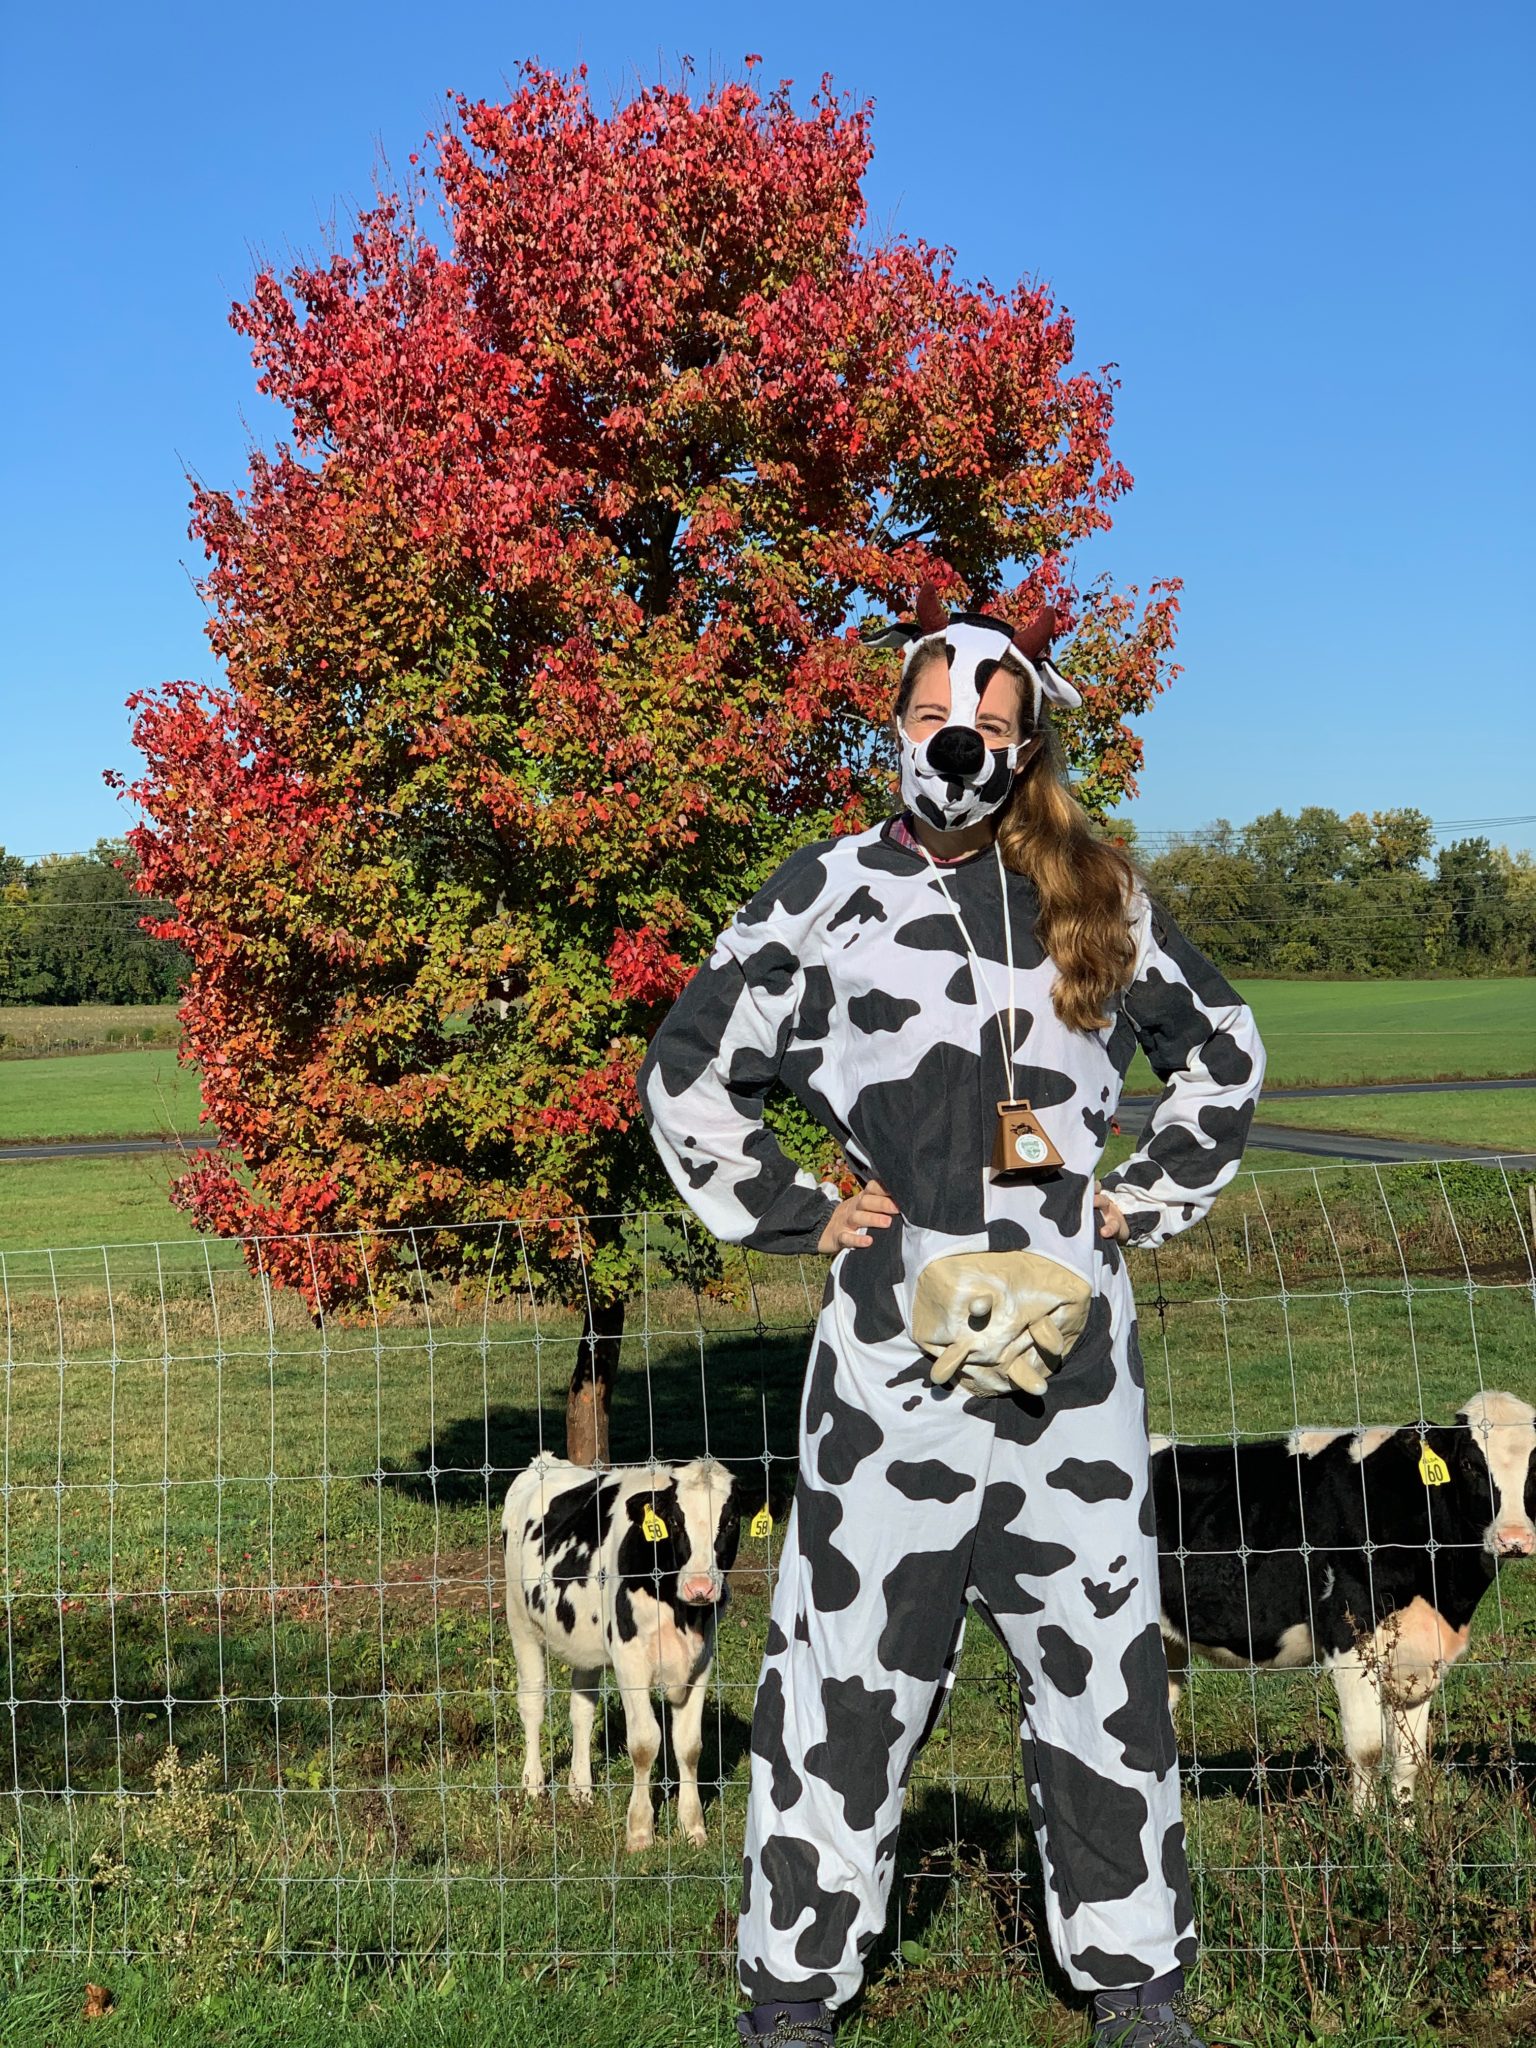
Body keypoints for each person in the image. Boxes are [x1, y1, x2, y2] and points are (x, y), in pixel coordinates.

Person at [638, 589, 1265, 2048]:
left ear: (1026, 740)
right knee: (845, 1673)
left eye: (991, 726)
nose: (961, 748)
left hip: (1072, 1369)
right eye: (935, 721)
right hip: (888, 1365)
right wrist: (799, 1207)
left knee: (1103, 1666)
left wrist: (1142, 1199)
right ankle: (793, 1990)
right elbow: (690, 1069)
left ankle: (1137, 1987)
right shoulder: (822, 894)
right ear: (894, 729)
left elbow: (1222, 1052)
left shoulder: (1095, 896)